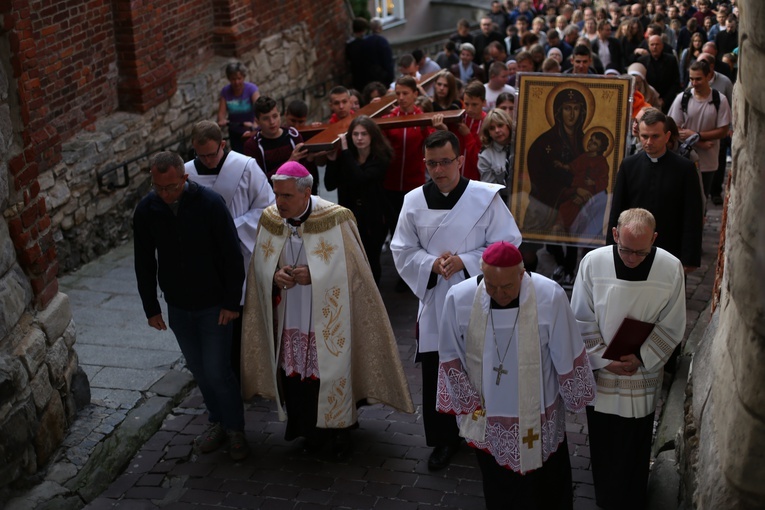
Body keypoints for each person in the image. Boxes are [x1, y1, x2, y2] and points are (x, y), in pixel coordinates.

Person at [241, 162, 415, 459]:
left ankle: (339, 431)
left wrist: (316, 275)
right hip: (292, 312)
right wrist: (274, 275)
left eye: (286, 196)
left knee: (330, 372)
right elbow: (260, 261)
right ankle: (305, 429)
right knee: (296, 374)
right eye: (276, 194)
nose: (278, 202)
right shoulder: (271, 218)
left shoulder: (336, 218)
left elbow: (356, 271)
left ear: (306, 192)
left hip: (328, 316)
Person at [391, 130, 522, 472]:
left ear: (461, 161)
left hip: (479, 295)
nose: (439, 169)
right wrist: (429, 264)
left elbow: (508, 242)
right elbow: (402, 249)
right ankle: (443, 439)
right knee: (438, 369)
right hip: (436, 297)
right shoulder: (413, 201)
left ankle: (485, 429)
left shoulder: (485, 197)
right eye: (432, 163)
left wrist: (466, 260)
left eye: (445, 161)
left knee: (479, 363)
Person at [438, 241, 595, 509]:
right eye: (491, 285)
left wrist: (575, 394)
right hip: (489, 414)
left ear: (522, 273)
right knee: (500, 489)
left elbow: (567, 349)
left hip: (538, 412)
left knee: (547, 488)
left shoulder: (550, 296)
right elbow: (450, 354)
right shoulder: (459, 297)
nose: (499, 293)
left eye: (508, 286)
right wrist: (468, 402)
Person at [134, 151, 249, 461]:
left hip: (214, 304)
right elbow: (143, 261)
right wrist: (150, 307)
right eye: (158, 187)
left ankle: (235, 428)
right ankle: (217, 422)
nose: (165, 193)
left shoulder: (210, 204)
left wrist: (231, 301)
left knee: (217, 370)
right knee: (199, 370)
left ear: (184, 178)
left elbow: (231, 255)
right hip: (178, 306)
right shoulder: (148, 209)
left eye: (171, 187)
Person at [571, 208, 687, 510]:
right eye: (625, 249)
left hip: (641, 371)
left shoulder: (670, 267)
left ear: (655, 240)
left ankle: (633, 496)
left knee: (635, 438)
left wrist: (641, 357)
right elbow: (581, 317)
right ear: (614, 235)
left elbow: (673, 323)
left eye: (641, 251)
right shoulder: (593, 263)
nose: (632, 258)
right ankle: (606, 495)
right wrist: (602, 358)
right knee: (604, 436)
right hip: (604, 371)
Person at [185, 121, 275, 379]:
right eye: (201, 155)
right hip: (205, 260)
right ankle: (220, 371)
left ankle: (248, 370)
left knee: (243, 314)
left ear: (222, 145)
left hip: (242, 253)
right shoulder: (187, 173)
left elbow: (267, 209)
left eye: (212, 154)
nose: (207, 160)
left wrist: (230, 229)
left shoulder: (245, 167)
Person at [607, 108, 703, 271]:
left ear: (667, 136)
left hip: (671, 248)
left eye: (655, 136)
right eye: (644, 136)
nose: (649, 142)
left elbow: (692, 215)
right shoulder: (629, 166)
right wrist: (611, 250)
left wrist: (690, 258)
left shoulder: (685, 168)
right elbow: (617, 210)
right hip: (633, 251)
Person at [325, 116, 391, 283]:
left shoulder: (380, 158)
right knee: (351, 259)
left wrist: (345, 151)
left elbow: (360, 178)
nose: (359, 138)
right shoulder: (346, 157)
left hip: (373, 217)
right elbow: (330, 184)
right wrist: (332, 161)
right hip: (349, 215)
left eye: (364, 134)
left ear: (372, 136)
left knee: (371, 259)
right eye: (355, 134)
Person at [382, 76, 445, 238]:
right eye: (398, 94)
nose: (401, 98)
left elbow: (432, 145)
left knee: (413, 227)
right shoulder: (388, 119)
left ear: (415, 94)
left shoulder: (423, 119)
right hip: (390, 183)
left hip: (414, 183)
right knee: (393, 225)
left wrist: (434, 128)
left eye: (405, 93)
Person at [667, 59, 731, 200]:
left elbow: (723, 130)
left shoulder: (720, 100)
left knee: (702, 198)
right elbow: (675, 129)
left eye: (698, 79)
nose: (694, 83)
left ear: (709, 77)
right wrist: (699, 142)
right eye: (691, 79)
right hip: (683, 159)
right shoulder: (682, 98)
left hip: (708, 161)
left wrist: (696, 134)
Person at [243, 96, 318, 194]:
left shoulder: (293, 136)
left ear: (280, 114)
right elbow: (259, 182)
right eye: (266, 118)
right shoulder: (252, 145)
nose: (272, 122)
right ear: (257, 121)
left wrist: (310, 159)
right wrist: (289, 162)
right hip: (271, 198)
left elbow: (308, 174)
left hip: (298, 195)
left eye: (275, 116)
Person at [218, 62, 260, 153]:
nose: (236, 82)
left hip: (251, 130)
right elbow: (221, 113)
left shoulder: (251, 89)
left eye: (239, 78)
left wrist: (254, 125)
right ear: (229, 79)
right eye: (233, 79)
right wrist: (222, 120)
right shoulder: (225, 91)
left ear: (243, 77)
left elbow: (259, 108)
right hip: (235, 132)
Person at [638, 35, 681, 112]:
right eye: (652, 44)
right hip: (647, 103)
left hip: (667, 104)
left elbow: (675, 83)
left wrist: (665, 100)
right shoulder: (642, 61)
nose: (655, 47)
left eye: (657, 44)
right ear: (648, 46)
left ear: (662, 46)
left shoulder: (671, 60)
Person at [363, 18, 395, 86]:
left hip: (368, 77)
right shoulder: (382, 42)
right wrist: (390, 77)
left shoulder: (365, 41)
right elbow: (388, 61)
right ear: (380, 28)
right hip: (382, 78)